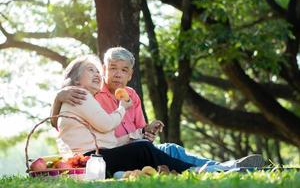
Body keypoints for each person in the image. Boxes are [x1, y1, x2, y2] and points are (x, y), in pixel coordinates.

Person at [51, 47, 265, 172]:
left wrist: (146, 131)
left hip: (123, 148)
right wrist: (59, 96)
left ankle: (223, 167)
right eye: (111, 69)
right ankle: (221, 169)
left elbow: (133, 133)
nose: (117, 74)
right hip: (109, 156)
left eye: (123, 70)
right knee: (151, 150)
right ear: (105, 70)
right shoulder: (92, 95)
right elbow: (66, 122)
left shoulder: (131, 96)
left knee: (170, 148)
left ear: (130, 75)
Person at [54, 55, 195, 177]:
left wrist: (141, 133)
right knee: (143, 150)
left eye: (97, 71)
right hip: (88, 160)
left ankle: (189, 168)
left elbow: (110, 141)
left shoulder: (81, 98)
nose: (97, 74)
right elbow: (107, 125)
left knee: (144, 146)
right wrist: (122, 108)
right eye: (91, 70)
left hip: (92, 159)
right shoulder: (80, 95)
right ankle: (191, 170)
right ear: (76, 79)